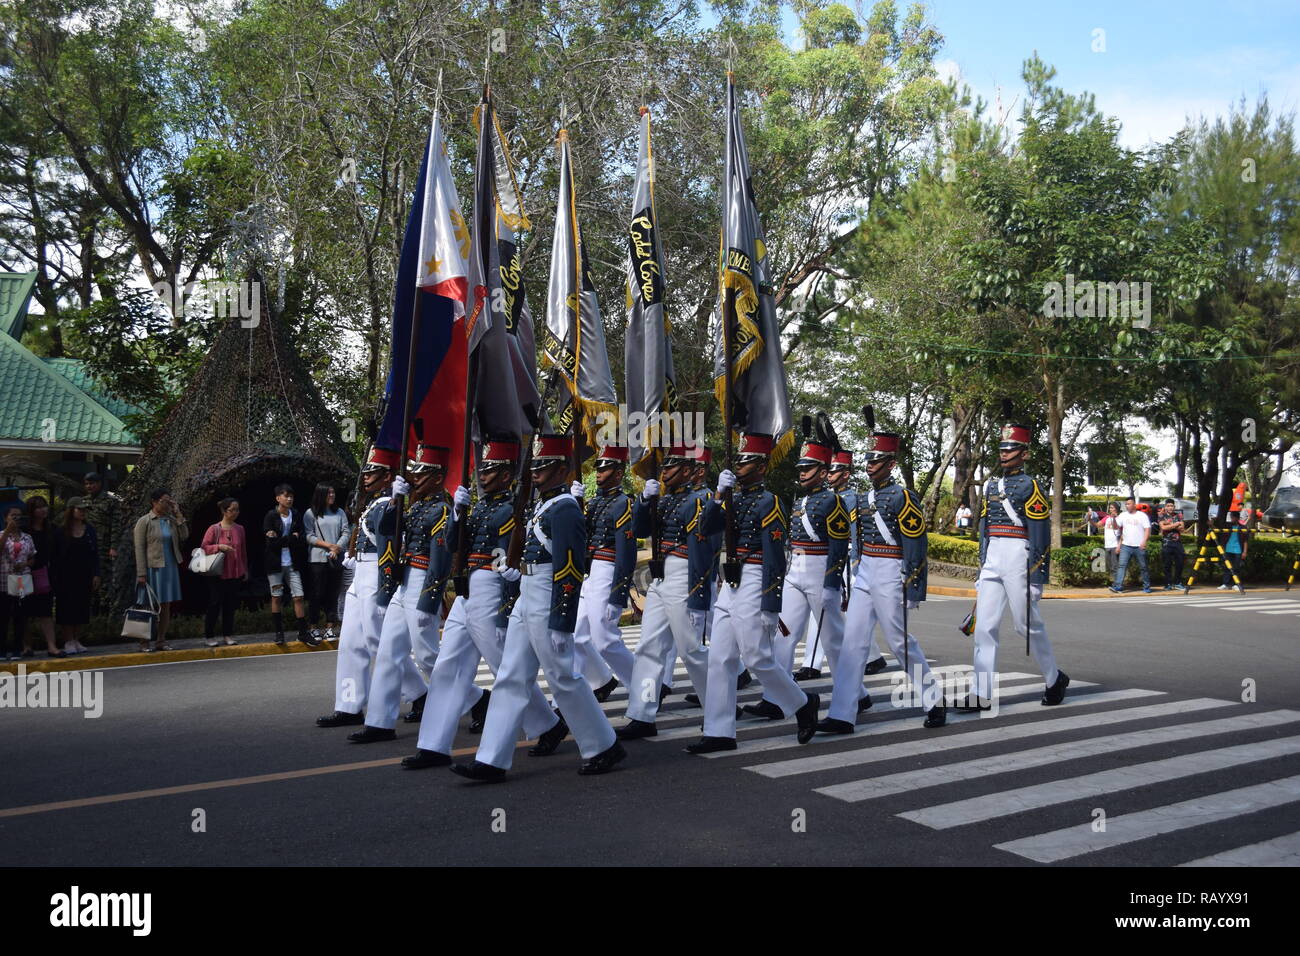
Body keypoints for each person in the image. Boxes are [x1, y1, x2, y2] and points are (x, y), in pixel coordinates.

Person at [451, 433, 627, 781]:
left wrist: (563, 621)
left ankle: (603, 745)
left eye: (544, 467)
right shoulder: (539, 505)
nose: (536, 473)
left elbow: (570, 568)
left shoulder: (565, 509)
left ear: (562, 470)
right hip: (528, 591)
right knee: (511, 676)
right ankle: (491, 759)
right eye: (534, 466)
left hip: (547, 594)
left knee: (562, 675)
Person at [402, 438, 555, 770]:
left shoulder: (510, 508)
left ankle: (548, 724)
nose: (482, 476)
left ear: (506, 475)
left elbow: (507, 557)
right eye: (481, 470)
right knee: (449, 665)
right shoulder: (480, 505)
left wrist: (505, 603)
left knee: (504, 666)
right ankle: (433, 744)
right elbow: (452, 542)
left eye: (490, 470)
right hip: (468, 585)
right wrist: (457, 512)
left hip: (490, 584)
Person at [686, 432, 821, 754]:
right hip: (730, 582)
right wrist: (719, 495)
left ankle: (802, 704)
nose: (740, 465)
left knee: (756, 655)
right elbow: (705, 529)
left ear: (761, 466)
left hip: (754, 577)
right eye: (739, 460)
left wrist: (771, 602)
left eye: (746, 460)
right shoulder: (731, 497)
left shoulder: (769, 501)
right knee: (720, 657)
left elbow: (775, 557)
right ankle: (719, 731)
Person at [818, 431, 945, 733]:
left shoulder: (902, 496)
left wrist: (914, 585)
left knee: (899, 641)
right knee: (853, 642)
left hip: (891, 570)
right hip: (867, 570)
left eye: (877, 460)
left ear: (891, 463)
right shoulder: (863, 498)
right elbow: (858, 538)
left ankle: (934, 700)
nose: (870, 465)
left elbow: (916, 542)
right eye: (868, 460)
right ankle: (842, 714)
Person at [348, 442, 453, 743]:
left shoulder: (442, 511)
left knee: (428, 656)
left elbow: (441, 563)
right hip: (405, 580)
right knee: (388, 651)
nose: (415, 478)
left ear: (437, 477)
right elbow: (385, 531)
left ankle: (476, 700)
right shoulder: (415, 505)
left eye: (422, 473)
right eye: (414, 472)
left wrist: (430, 601)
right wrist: (396, 499)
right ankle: (379, 722)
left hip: (422, 582)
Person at [963, 421, 1067, 711]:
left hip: (1018, 556)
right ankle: (980, 693)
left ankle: (1054, 677)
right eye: (1002, 449)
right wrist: (983, 565)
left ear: (1025, 454)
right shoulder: (992, 485)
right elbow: (984, 527)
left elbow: (1040, 532)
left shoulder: (1031, 485)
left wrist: (1037, 577)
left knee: (1026, 626)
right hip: (994, 556)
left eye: (1012, 450)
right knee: (984, 627)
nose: (1005, 455)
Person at [618, 443, 719, 739]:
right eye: (664, 468)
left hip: (683, 574)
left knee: (691, 649)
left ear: (687, 471)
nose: (665, 473)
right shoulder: (662, 500)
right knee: (649, 647)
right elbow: (639, 531)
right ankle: (642, 713)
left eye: (671, 467)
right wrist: (643, 501)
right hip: (661, 577)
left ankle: (718, 708)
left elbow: (705, 547)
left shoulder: (701, 499)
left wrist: (699, 588)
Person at [317, 447, 414, 728]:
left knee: (377, 640)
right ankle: (349, 705)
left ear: (387, 477)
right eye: (367, 472)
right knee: (350, 642)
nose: (366, 477)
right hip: (360, 571)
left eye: (373, 473)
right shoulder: (372, 502)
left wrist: (397, 498)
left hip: (375, 572)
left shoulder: (387, 503)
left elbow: (389, 538)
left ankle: (419, 693)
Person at [758, 433, 848, 708]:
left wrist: (833, 583)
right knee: (783, 634)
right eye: (801, 468)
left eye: (807, 468)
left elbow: (839, 545)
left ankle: (853, 695)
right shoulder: (799, 501)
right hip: (796, 572)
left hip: (819, 571)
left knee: (832, 641)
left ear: (823, 472)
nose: (802, 473)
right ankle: (777, 697)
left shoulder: (833, 501)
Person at [567, 445, 638, 702]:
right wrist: (576, 504)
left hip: (607, 570)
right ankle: (601, 681)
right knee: (576, 634)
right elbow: (581, 535)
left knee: (605, 640)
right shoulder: (595, 502)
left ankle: (644, 688)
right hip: (589, 572)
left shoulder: (623, 503)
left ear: (619, 473)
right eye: (598, 467)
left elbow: (627, 552)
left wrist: (619, 594)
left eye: (605, 468)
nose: (598, 472)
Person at [132, 488, 188, 651]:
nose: (167, 504)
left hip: (169, 565)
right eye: (164, 501)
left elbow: (184, 535)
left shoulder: (170, 520)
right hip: (152, 568)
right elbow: (139, 547)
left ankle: (161, 639)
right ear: (154, 502)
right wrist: (141, 573)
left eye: (169, 500)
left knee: (166, 605)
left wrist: (178, 515)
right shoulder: (145, 521)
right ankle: (144, 641)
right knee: (148, 605)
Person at [261, 484, 315, 646]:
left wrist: (286, 539)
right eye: (286, 496)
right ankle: (279, 632)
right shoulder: (271, 516)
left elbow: (300, 539)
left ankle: (303, 632)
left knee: (298, 596)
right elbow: (271, 543)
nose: (289, 499)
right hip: (275, 563)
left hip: (292, 563)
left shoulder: (296, 514)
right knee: (276, 596)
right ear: (278, 498)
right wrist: (290, 538)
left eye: (291, 496)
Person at [304, 484, 350, 643]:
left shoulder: (340, 512)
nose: (332, 495)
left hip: (336, 558)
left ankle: (330, 626)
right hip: (317, 559)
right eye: (329, 492)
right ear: (321, 494)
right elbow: (309, 536)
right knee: (317, 594)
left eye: (333, 492)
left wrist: (337, 548)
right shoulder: (311, 513)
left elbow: (346, 532)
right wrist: (328, 545)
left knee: (333, 593)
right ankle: (313, 626)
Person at [200, 498, 248, 647]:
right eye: (232, 510)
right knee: (215, 603)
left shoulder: (240, 529)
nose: (235, 513)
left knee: (230, 605)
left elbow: (243, 551)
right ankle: (209, 635)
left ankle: (228, 634)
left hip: (235, 572)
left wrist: (245, 569)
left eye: (237, 510)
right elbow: (204, 548)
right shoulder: (214, 529)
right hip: (217, 573)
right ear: (224, 511)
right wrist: (219, 547)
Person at [53, 497, 99, 654]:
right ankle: (68, 640)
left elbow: (95, 554)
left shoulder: (90, 530)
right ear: (71, 510)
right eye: (79, 509)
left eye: (84, 510)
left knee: (81, 607)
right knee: (66, 608)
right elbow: (55, 557)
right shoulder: (60, 532)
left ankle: (76, 638)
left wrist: (96, 574)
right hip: (65, 576)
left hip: (84, 574)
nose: (82, 512)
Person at [23, 496, 63, 657]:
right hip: (25, 573)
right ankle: (26, 645)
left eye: (44, 506)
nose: (43, 510)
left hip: (45, 574)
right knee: (24, 611)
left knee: (46, 612)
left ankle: (51, 646)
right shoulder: (25, 530)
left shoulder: (52, 529)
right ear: (32, 511)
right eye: (39, 507)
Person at [81, 472, 122, 613]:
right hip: (86, 548)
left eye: (92, 483)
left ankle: (103, 615)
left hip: (104, 547)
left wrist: (113, 547)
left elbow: (116, 525)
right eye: (86, 483)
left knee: (104, 583)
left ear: (99, 484)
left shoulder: (111, 501)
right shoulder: (83, 502)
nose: (89, 486)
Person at [1, 504, 34, 662]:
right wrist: (8, 531)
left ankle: (17, 648)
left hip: (21, 579)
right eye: (13, 515)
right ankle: (1, 649)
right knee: (3, 615)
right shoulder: (1, 535)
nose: (16, 518)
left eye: (19, 516)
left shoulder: (27, 537)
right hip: (4, 580)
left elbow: (32, 558)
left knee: (20, 615)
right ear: (5, 518)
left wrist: (25, 564)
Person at [1110, 497, 1152, 594]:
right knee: (1122, 566)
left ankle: (1146, 586)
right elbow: (1116, 527)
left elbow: (1147, 529)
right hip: (1126, 546)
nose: (1127, 506)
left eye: (1129, 504)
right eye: (1126, 504)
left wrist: (1144, 541)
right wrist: (1113, 518)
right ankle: (1118, 586)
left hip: (1139, 546)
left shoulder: (1142, 516)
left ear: (1134, 505)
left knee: (1143, 566)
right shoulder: (1123, 515)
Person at [1158, 498, 1186, 590]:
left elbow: (1182, 528)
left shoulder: (1179, 515)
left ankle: (1177, 582)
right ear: (1165, 507)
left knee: (1180, 562)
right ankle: (1168, 584)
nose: (1170, 507)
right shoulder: (1162, 515)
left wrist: (1170, 525)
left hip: (1177, 542)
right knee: (1167, 564)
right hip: (1167, 543)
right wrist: (1176, 524)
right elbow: (1163, 528)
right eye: (1168, 506)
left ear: (1174, 507)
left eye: (1172, 506)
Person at [1219, 512, 1249, 592]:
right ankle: (1225, 584)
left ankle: (1236, 584)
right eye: (1231, 517)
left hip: (1238, 550)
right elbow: (1219, 532)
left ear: (1237, 518)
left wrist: (1245, 552)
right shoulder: (1228, 526)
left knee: (1237, 567)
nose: (1232, 519)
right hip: (1228, 549)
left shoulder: (1243, 527)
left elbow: (1245, 541)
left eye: (1233, 517)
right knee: (1227, 567)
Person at [1101, 502, 1121, 582]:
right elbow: (1098, 524)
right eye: (1110, 508)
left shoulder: (1120, 518)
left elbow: (1120, 530)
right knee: (1110, 566)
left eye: (1112, 508)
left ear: (1117, 508)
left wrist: (1119, 545)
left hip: (1115, 545)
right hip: (1107, 545)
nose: (1111, 509)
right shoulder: (1107, 517)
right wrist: (1090, 519)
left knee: (1115, 566)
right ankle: (1116, 582)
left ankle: (1118, 584)